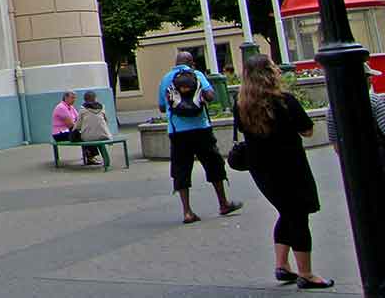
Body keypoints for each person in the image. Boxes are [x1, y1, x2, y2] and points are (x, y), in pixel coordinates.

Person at [234, 54, 333, 289]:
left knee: (287, 212)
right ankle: (306, 274)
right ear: (269, 73)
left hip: (262, 170)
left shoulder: (241, 106)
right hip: (290, 166)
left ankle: (282, 265)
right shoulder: (285, 101)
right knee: (297, 216)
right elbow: (307, 130)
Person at [158, 50, 242, 224]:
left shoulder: (166, 79)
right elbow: (210, 96)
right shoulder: (196, 75)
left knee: (181, 169)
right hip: (201, 128)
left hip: (177, 132)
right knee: (213, 164)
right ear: (191, 62)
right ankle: (223, 203)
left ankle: (187, 211)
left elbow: (161, 106)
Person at [325, 63, 385, 157]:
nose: (371, 80)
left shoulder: (332, 106)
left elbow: (336, 144)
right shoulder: (374, 100)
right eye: (368, 77)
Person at [75, 90, 112, 165]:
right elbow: (106, 121)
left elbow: (78, 126)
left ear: (85, 99)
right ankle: (105, 159)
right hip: (104, 135)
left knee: (85, 136)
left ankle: (90, 158)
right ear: (95, 98)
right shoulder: (102, 107)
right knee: (97, 134)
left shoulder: (83, 109)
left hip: (88, 137)